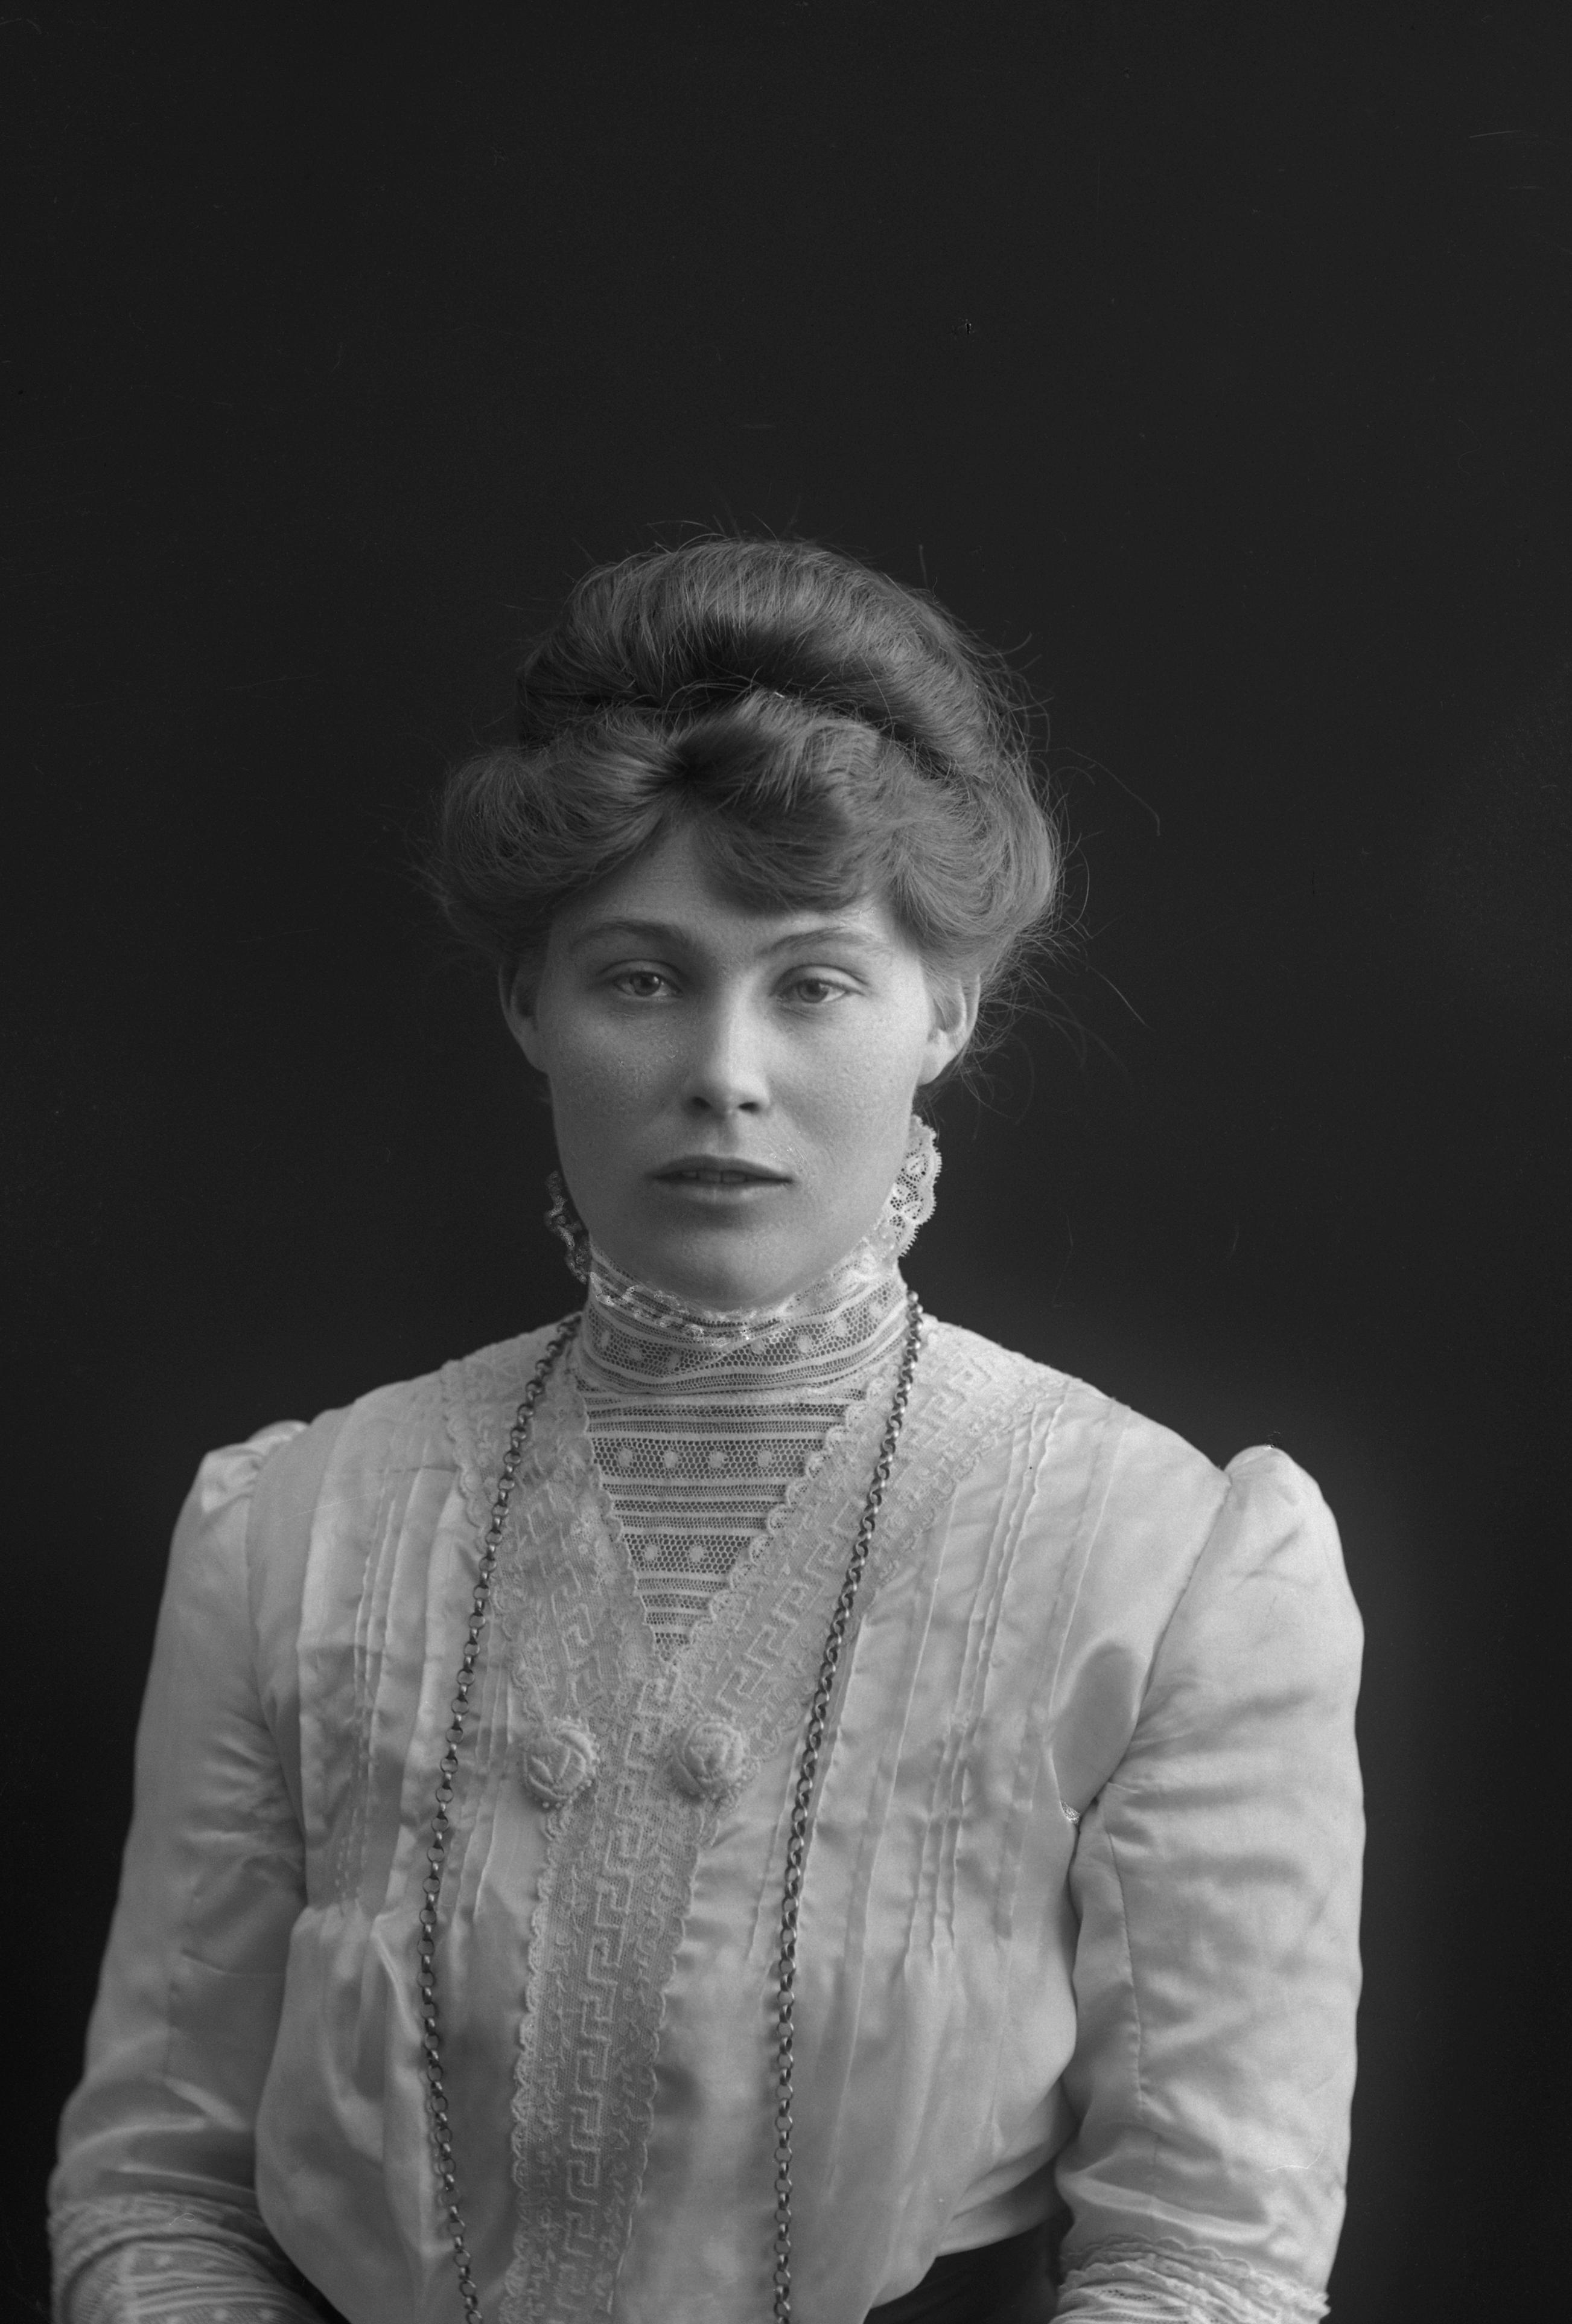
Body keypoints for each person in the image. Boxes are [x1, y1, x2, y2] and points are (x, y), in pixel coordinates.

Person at [49, 538, 1364, 2324]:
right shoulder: (297, 1524)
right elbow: (160, 2183)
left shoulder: (1175, 1560)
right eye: (642, 978)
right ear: (531, 1003)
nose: (724, 1073)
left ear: (947, 1009)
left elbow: (1208, 2251)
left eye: (812, 983)